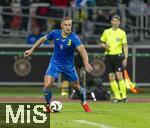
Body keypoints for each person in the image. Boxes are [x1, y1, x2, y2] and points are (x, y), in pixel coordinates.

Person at [24, 17, 93, 112]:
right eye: (66, 25)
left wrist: (86, 63)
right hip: (55, 63)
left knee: (76, 87)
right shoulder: (55, 33)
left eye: (70, 25)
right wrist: (32, 49)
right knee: (47, 85)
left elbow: (83, 51)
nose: (68, 27)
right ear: (61, 26)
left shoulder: (74, 38)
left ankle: (84, 102)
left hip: (69, 66)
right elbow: (42, 39)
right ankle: (48, 106)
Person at [100, 14, 128, 103]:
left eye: (117, 21)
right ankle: (117, 96)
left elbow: (125, 46)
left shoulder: (122, 33)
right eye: (114, 21)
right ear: (111, 22)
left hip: (118, 56)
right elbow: (102, 43)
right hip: (108, 56)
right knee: (111, 77)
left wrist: (126, 58)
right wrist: (105, 46)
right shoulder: (106, 32)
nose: (115, 22)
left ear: (119, 23)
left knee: (119, 76)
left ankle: (124, 96)